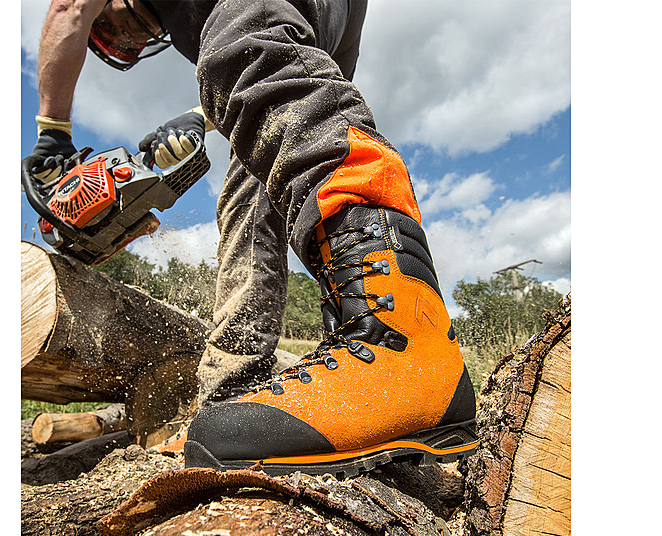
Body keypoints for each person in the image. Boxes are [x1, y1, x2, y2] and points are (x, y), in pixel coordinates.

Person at [28, 0, 477, 477]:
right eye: (119, 47)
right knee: (256, 182)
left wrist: (51, 137)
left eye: (111, 30)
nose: (126, 42)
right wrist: (199, 116)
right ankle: (235, 396)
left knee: (243, 50)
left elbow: (67, 7)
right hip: (326, 26)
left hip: (278, 19)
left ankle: (401, 339)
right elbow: (275, 71)